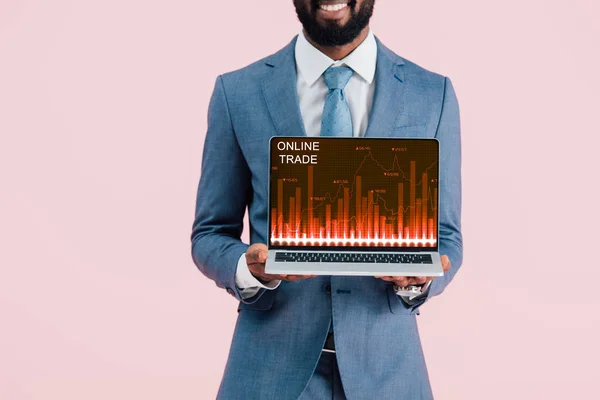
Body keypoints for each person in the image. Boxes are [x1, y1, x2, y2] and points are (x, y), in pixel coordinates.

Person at [191, 1, 463, 398]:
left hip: (388, 373)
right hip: (268, 370)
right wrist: (248, 269)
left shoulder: (431, 93)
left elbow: (447, 235)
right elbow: (210, 232)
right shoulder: (238, 93)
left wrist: (420, 281)